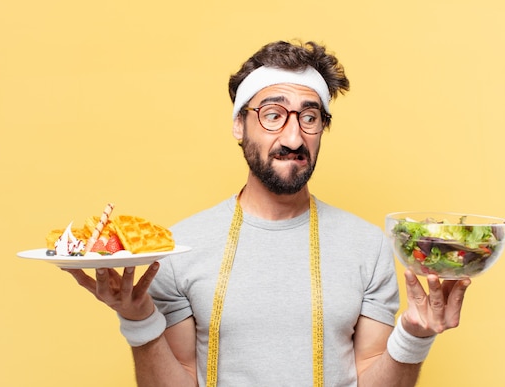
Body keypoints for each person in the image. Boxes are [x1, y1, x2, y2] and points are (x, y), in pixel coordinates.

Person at [65, 40, 471, 387]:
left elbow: (370, 375)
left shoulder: (368, 248)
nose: (294, 137)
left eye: (309, 118)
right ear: (239, 125)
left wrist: (414, 335)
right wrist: (139, 322)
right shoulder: (178, 250)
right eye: (273, 115)